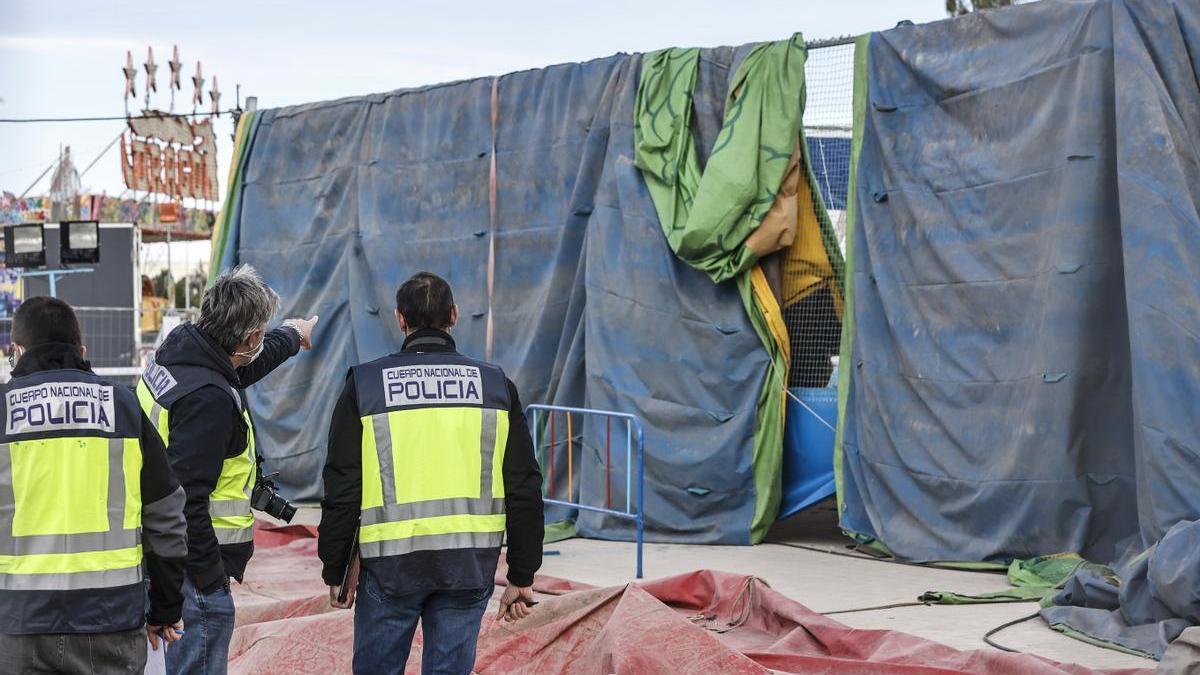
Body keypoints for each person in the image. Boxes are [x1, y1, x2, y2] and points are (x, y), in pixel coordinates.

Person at [319, 272, 544, 675]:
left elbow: (343, 485)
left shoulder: (367, 386)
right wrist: (522, 573)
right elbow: (524, 486)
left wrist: (335, 565)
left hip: (389, 569)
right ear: (454, 315)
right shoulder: (495, 386)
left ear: (400, 319)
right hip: (468, 567)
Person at [136, 265, 317, 674]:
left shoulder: (181, 349)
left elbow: (239, 369)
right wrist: (211, 582)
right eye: (261, 334)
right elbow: (187, 501)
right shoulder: (209, 400)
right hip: (194, 566)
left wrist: (291, 335)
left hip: (158, 550)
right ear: (249, 337)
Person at [0, 297, 188, 674]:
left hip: (17, 623)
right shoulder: (125, 408)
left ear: (15, 351)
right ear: (82, 351)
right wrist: (165, 609)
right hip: (112, 621)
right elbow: (167, 518)